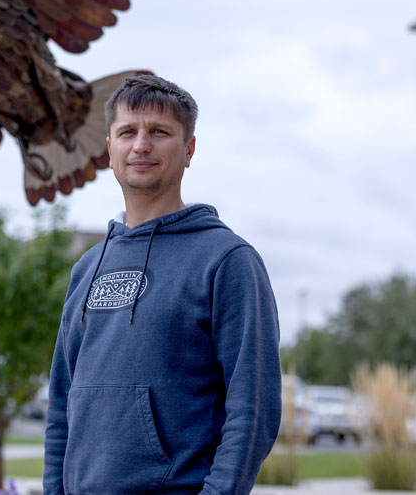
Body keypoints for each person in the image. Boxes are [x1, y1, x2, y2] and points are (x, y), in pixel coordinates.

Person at [42, 74, 281, 494]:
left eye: (159, 132)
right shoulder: (88, 267)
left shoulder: (227, 261)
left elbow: (253, 409)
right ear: (109, 148)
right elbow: (62, 403)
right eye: (127, 132)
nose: (141, 145)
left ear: (188, 149)